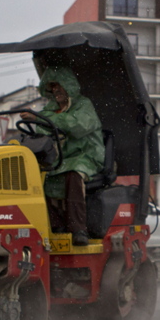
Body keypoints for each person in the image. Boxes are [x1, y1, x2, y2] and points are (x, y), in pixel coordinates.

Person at [24, 67, 104, 246]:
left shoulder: (84, 106)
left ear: (69, 86)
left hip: (86, 156)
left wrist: (41, 119)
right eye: (52, 88)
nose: (56, 91)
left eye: (59, 86)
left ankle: (78, 229)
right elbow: (44, 130)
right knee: (40, 177)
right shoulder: (50, 110)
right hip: (63, 160)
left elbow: (78, 126)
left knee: (73, 174)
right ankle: (55, 226)